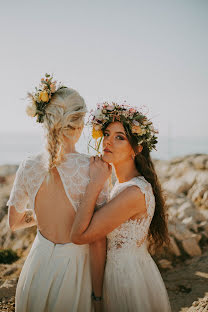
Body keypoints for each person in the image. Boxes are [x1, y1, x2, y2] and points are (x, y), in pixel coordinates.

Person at [7, 74, 108, 312]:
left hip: (36, 267)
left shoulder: (28, 165)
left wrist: (41, 217)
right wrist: (98, 296)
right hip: (75, 271)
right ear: (80, 123)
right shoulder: (95, 169)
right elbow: (97, 240)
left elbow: (14, 223)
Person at [70, 102, 172, 312]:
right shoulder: (125, 184)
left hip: (125, 280)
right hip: (128, 271)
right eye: (107, 133)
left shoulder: (133, 193)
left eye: (120, 137)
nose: (108, 141)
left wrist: (95, 182)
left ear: (136, 149)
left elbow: (79, 236)